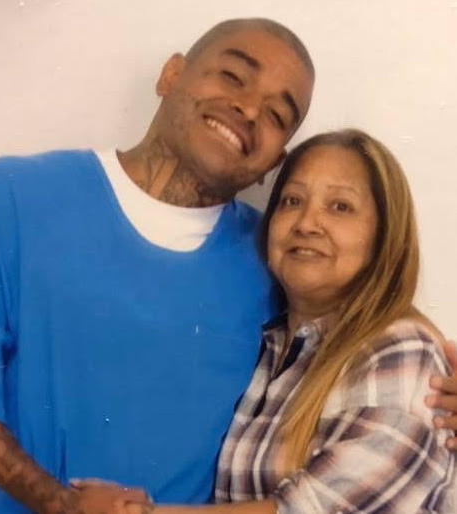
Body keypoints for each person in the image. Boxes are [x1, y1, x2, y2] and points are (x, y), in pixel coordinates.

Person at [0, 18, 455, 514]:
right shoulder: (13, 196)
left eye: (277, 115)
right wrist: (60, 504)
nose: (248, 109)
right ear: (171, 74)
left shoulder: (275, 260)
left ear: (274, 161)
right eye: (233, 75)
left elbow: (369, 343)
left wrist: (440, 393)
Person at [93, 129, 453, 513]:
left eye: (340, 206)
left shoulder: (401, 349)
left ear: (385, 236)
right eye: (292, 201)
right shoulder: (271, 346)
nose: (307, 223)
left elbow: (312, 509)